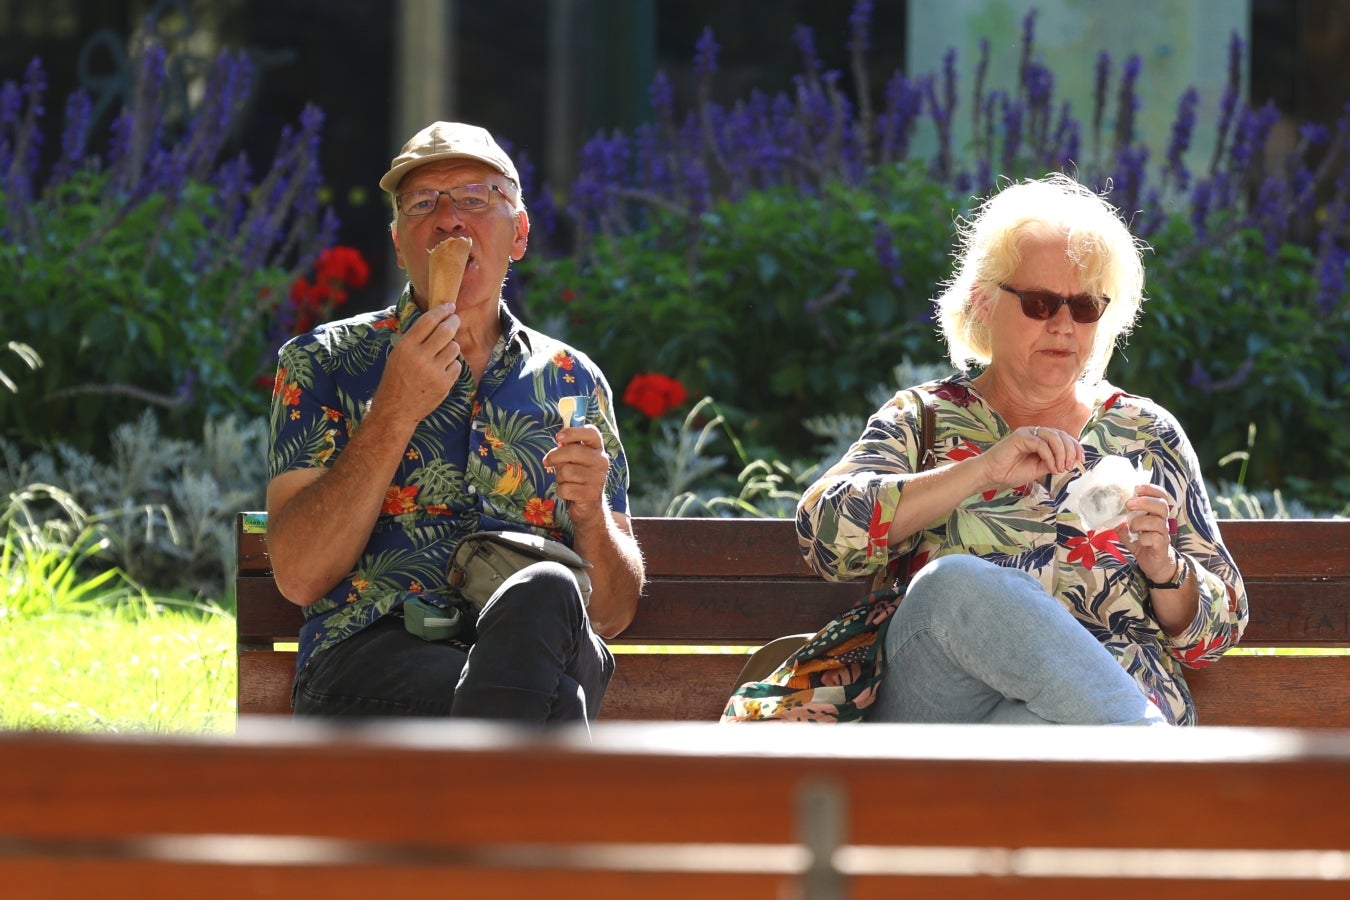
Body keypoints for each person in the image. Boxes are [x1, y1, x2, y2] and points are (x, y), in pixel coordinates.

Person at [728, 173, 1247, 726]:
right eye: (1041, 302)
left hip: (1077, 723)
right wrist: (978, 472)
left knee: (1034, 726)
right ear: (981, 304)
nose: (1064, 326)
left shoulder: (1144, 431)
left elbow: (1218, 632)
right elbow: (825, 537)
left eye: (1085, 306)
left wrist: (1166, 571)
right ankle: (1158, 764)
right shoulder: (925, 418)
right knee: (953, 584)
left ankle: (1132, 757)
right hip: (941, 708)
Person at [265, 121, 644, 727]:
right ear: (398, 242)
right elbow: (301, 574)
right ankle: (522, 798)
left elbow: (614, 615)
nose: (448, 220)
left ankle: (483, 795)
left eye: (474, 198)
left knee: (547, 588)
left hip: (548, 648)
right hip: (373, 659)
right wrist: (393, 409)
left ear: (518, 233)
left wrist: (593, 514)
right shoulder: (324, 362)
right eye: (423, 204)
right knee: (553, 710)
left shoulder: (575, 380)